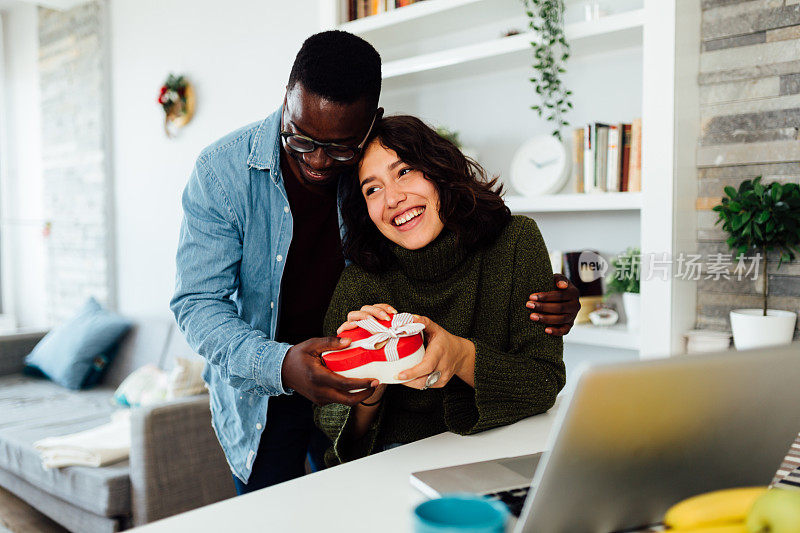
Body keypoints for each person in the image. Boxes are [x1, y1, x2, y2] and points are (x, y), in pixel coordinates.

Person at [170, 30, 579, 495]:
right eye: (302, 140)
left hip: (380, 396)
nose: (320, 162)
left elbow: (453, 258)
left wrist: (541, 292)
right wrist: (282, 364)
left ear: (369, 125)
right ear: (286, 99)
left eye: (341, 148)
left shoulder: (370, 161)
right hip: (265, 390)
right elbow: (198, 302)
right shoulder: (221, 173)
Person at [315, 115, 565, 465]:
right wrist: (371, 381)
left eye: (404, 171)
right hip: (396, 462)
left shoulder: (515, 243)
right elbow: (330, 423)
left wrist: (461, 356)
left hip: (504, 448)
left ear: (439, 169)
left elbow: (545, 383)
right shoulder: (361, 281)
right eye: (372, 189)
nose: (393, 198)